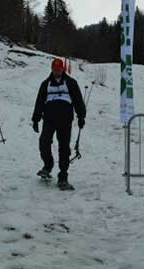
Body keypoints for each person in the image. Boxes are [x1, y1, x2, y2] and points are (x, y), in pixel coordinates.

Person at [32, 58, 86, 191]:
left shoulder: (71, 83)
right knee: (44, 142)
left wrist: (81, 116)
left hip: (65, 120)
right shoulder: (45, 84)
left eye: (59, 69)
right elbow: (39, 102)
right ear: (52, 69)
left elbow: (78, 100)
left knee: (64, 148)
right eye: (55, 69)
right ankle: (48, 165)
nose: (57, 71)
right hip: (49, 119)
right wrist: (36, 119)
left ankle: (63, 177)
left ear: (63, 69)